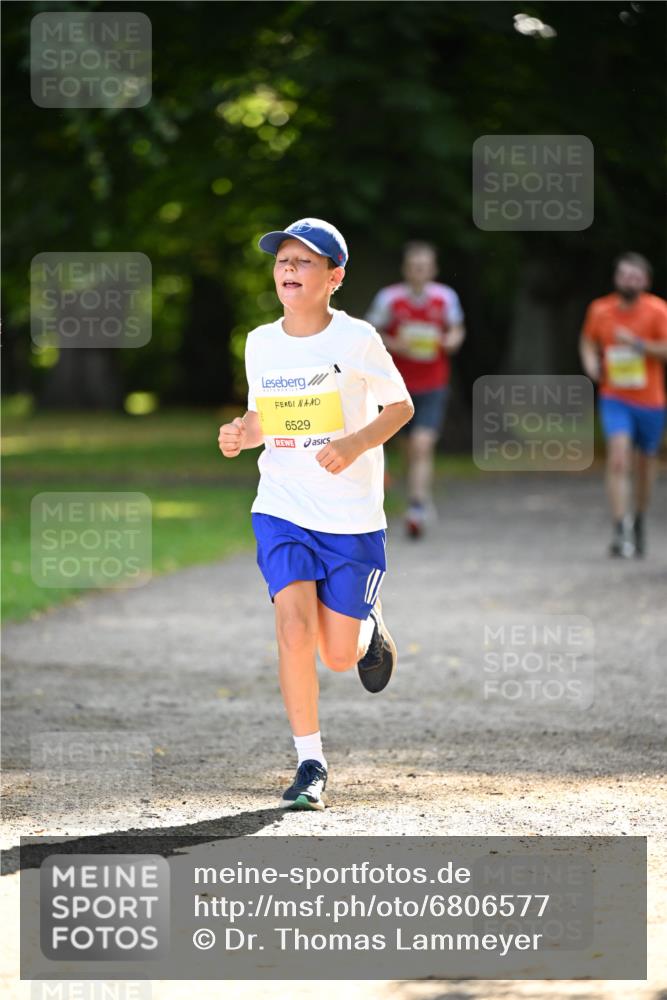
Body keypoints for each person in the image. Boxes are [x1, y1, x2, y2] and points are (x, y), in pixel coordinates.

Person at [218, 218, 414, 810]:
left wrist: (355, 444)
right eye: (283, 261)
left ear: (335, 277)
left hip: (350, 516)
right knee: (292, 628)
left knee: (335, 652)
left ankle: (369, 629)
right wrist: (240, 433)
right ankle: (310, 761)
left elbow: (399, 405)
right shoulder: (260, 342)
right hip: (282, 507)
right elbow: (266, 419)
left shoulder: (357, 339)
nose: (288, 270)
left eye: (304, 262)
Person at [365, 241, 465, 537]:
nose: (419, 271)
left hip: (433, 383)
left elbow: (457, 328)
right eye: (413, 266)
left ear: (433, 269)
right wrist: (395, 343)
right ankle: (417, 495)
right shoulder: (389, 299)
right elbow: (370, 332)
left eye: (424, 266)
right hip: (397, 385)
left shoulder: (445, 298)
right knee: (409, 449)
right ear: (405, 269)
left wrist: (453, 341)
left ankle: (417, 505)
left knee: (423, 444)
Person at [579, 252, 667, 557]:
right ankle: (620, 527)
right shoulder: (600, 310)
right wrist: (591, 364)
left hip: (651, 401)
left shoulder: (658, 311)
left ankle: (640, 518)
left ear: (646, 281)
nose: (629, 281)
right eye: (624, 275)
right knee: (618, 457)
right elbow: (587, 341)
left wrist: (637, 344)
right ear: (616, 278)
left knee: (645, 466)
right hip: (614, 397)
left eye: (636, 276)